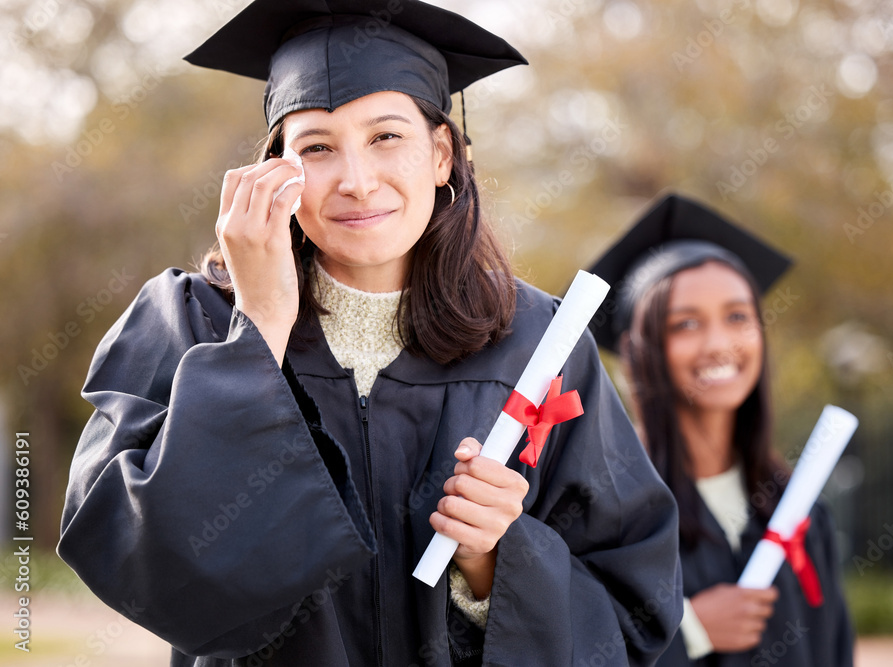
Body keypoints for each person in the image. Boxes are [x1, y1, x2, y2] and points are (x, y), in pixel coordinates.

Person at [56, 1, 682, 665]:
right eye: (318, 147)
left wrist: (500, 563)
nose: (356, 181)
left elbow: (635, 608)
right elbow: (144, 569)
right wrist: (258, 328)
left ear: (442, 154)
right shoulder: (190, 324)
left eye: (387, 137)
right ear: (277, 171)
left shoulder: (538, 344)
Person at [588, 194, 854, 666]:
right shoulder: (608, 513)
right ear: (638, 349)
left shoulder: (799, 511)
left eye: (737, 317)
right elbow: (564, 648)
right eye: (685, 324)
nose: (718, 344)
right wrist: (688, 631)